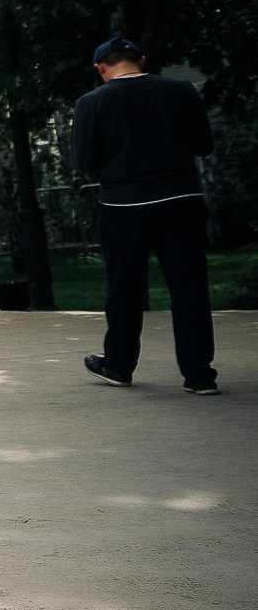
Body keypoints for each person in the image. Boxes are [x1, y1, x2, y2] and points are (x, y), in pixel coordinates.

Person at [72, 37, 218, 394]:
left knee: (124, 288)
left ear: (100, 68)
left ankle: (119, 366)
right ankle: (199, 374)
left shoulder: (91, 103)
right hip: (181, 199)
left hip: (123, 207)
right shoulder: (180, 90)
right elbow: (204, 145)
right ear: (141, 59)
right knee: (189, 287)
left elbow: (84, 162)